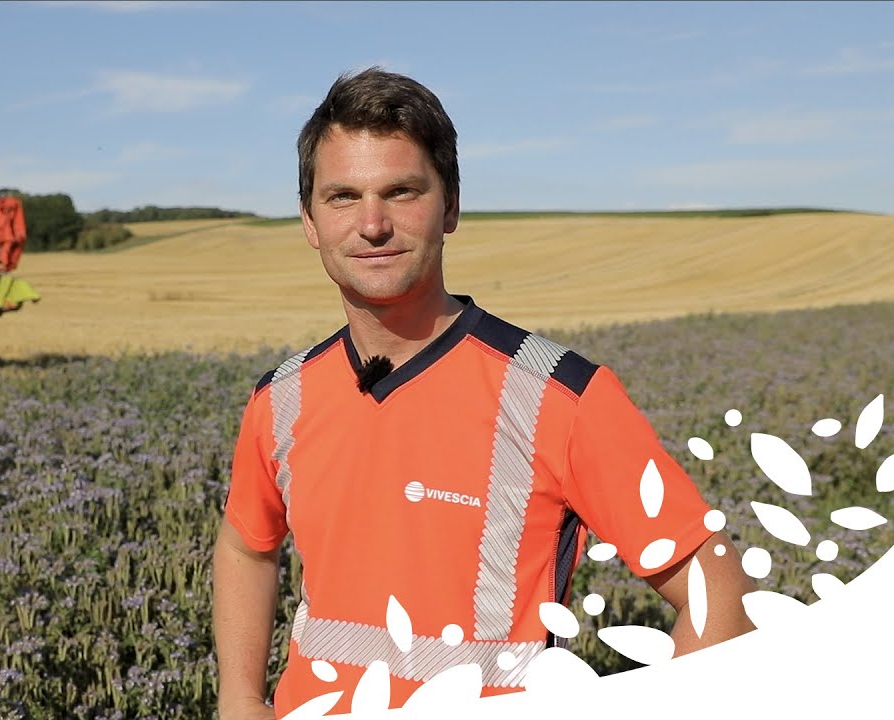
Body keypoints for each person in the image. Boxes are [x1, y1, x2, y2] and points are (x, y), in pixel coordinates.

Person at [211, 67, 756, 719]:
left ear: (451, 206)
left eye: (401, 192)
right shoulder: (280, 399)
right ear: (309, 220)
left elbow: (718, 585)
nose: (372, 224)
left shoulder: (558, 397)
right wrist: (239, 698)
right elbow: (246, 546)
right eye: (343, 197)